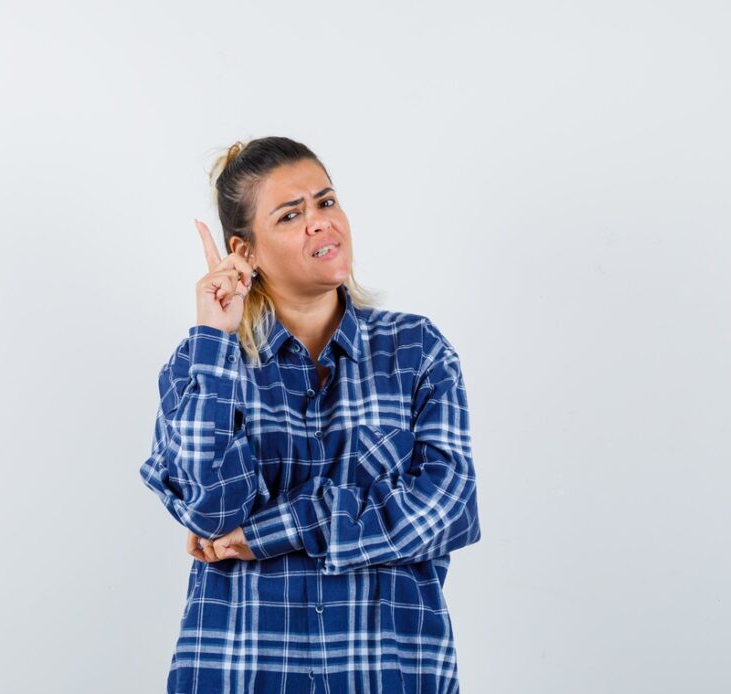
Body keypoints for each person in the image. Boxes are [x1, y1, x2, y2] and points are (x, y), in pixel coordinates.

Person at [138, 136, 482, 693]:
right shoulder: (203, 365)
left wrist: (273, 531)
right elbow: (211, 510)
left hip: (388, 675)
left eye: (325, 202)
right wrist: (214, 339)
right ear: (243, 251)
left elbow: (447, 508)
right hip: (238, 672)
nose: (320, 222)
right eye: (291, 214)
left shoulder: (417, 350)